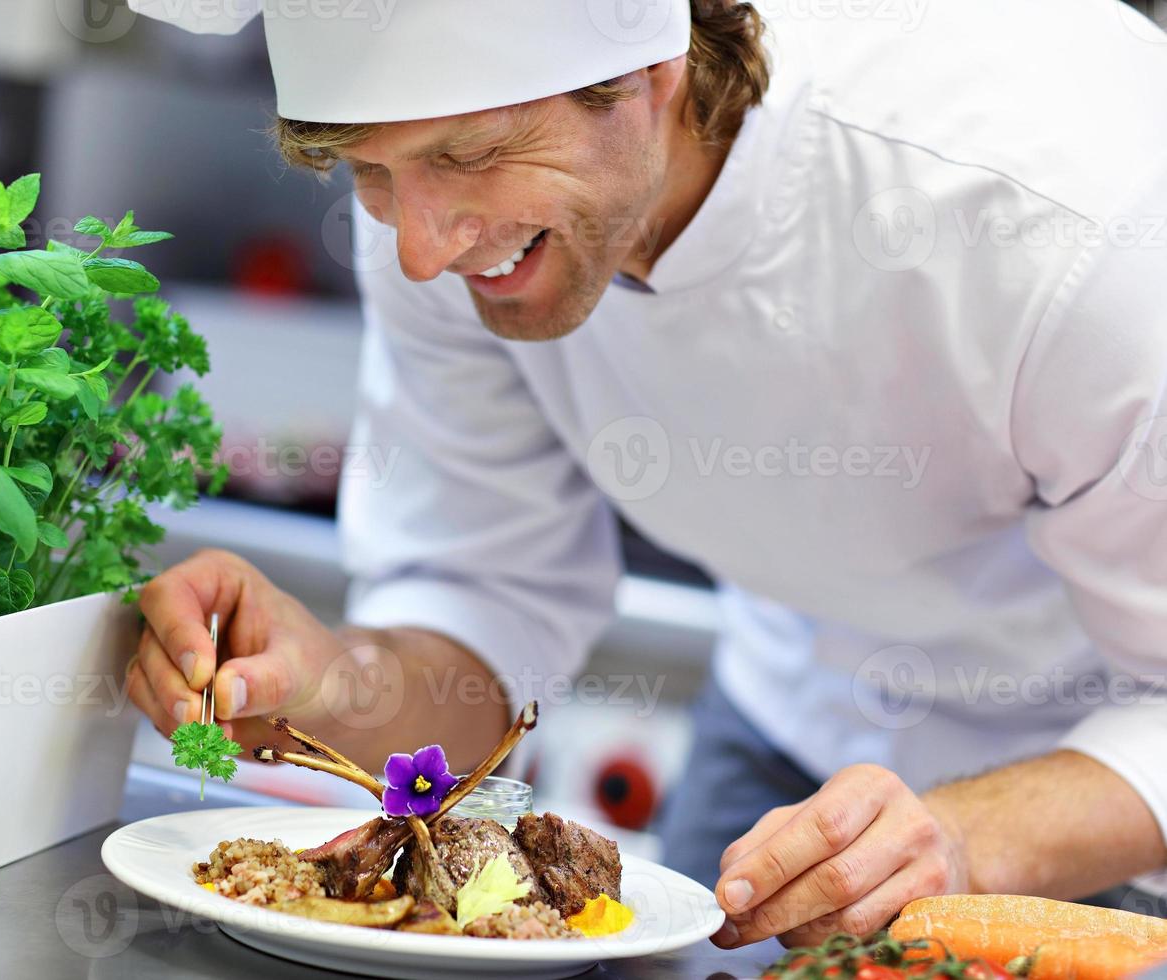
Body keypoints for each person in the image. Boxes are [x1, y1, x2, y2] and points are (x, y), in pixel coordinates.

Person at [123, 0, 1167, 946]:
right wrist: (334, 685)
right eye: (369, 172)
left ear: (652, 73)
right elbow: (488, 601)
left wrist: (965, 834)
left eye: (474, 151)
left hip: (1098, 775)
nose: (422, 255)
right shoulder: (445, 227)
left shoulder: (1065, 212)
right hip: (785, 729)